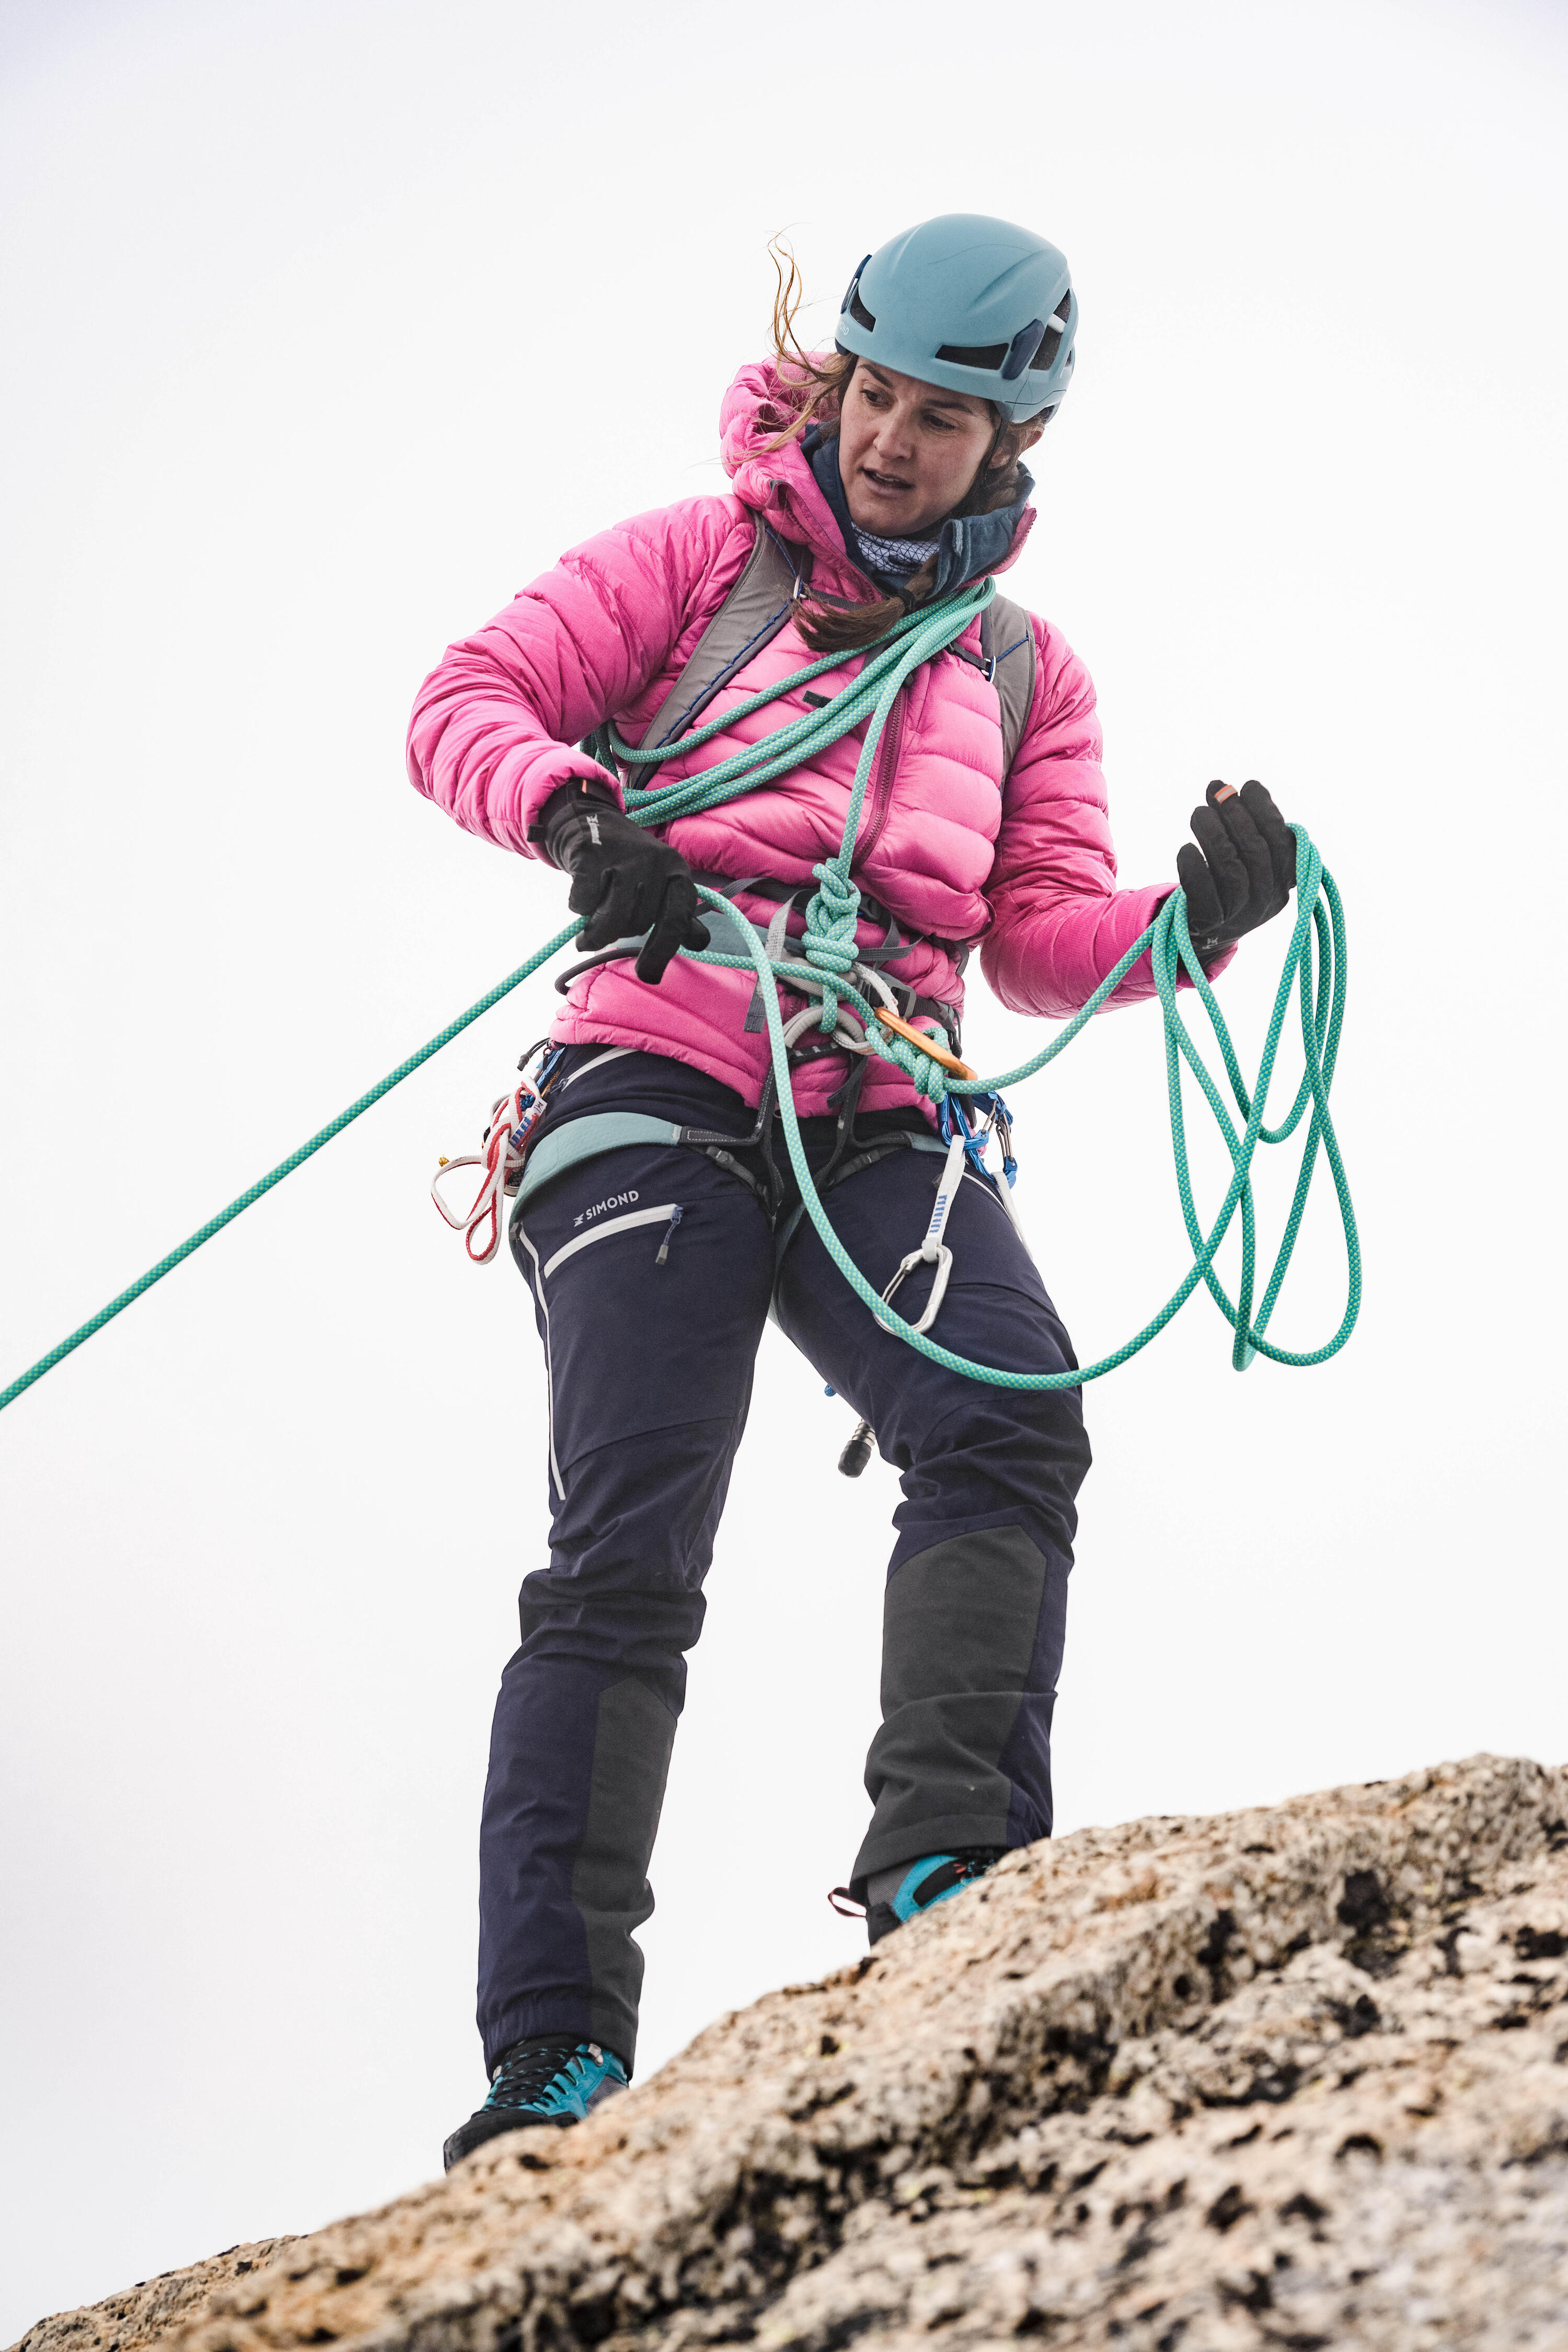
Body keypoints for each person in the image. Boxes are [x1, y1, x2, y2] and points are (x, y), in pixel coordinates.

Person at [407, 215, 1297, 2170]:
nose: (894, 441)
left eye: (943, 417)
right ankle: (554, 2056)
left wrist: (1194, 925)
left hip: (878, 1089)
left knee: (1013, 1412)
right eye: (875, 395)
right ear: (837, 380)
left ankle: (949, 1873)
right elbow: (466, 696)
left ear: (1016, 436)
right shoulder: (696, 560)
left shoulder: (1015, 665)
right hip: (652, 1061)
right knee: (630, 1543)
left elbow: (1044, 930)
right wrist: (579, 812)